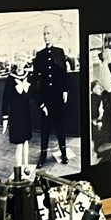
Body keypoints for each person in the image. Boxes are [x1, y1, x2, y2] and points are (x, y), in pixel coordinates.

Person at [30, 26, 69, 165]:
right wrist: (39, 100)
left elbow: (63, 73)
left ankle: (64, 153)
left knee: (60, 125)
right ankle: (43, 156)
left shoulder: (59, 52)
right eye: (44, 34)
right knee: (45, 127)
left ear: (53, 35)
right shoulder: (39, 55)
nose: (46, 36)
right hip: (46, 97)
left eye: (48, 33)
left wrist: (65, 90)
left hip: (57, 96)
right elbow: (35, 78)